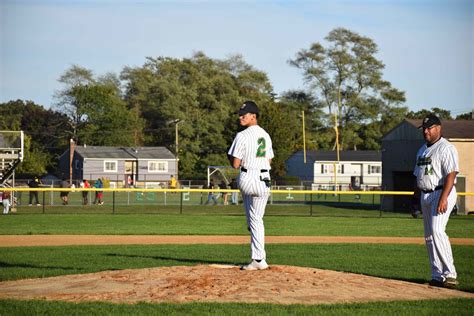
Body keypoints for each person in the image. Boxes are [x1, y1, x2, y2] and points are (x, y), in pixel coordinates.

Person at [411, 114, 459, 289]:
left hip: (441, 192)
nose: (425, 131)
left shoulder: (446, 148)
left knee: (438, 231)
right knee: (429, 237)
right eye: (424, 128)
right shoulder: (422, 149)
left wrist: (444, 197)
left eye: (429, 128)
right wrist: (415, 201)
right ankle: (437, 275)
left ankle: (450, 274)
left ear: (438, 128)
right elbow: (417, 176)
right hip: (425, 194)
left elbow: (451, 174)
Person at [227, 100, 274, 270]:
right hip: (265, 178)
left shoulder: (242, 135)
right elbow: (269, 160)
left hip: (248, 178)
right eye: (240, 115)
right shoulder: (266, 135)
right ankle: (259, 258)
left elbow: (235, 164)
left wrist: (230, 155)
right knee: (256, 219)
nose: (240, 117)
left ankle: (258, 259)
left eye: (244, 115)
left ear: (253, 116)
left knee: (253, 220)